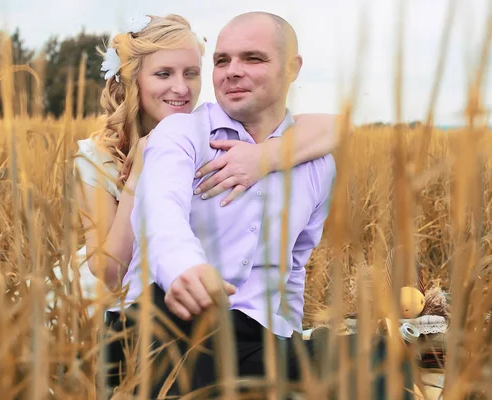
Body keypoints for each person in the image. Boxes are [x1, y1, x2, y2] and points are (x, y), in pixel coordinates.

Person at [107, 11, 336, 397]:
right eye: (222, 60)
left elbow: (295, 266)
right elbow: (162, 214)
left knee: (373, 358)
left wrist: (289, 332)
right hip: (172, 317)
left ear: (293, 68)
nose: (232, 71)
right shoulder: (181, 132)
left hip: (257, 335)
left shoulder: (316, 161)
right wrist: (184, 269)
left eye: (253, 58)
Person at [67, 14, 340, 311]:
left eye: (191, 73)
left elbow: (337, 127)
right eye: (163, 74)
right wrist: (139, 177)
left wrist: (265, 156)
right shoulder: (97, 158)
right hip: (110, 301)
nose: (181, 89)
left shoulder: (207, 137)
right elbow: (110, 273)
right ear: (133, 81)